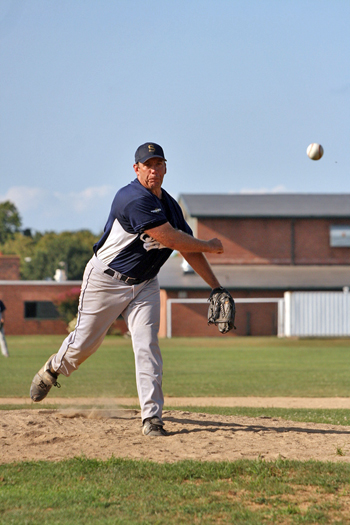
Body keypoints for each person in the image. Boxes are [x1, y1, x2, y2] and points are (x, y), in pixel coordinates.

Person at [30, 142, 226, 436]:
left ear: (166, 168)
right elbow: (169, 238)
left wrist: (216, 287)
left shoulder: (171, 206)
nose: (154, 170)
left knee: (147, 345)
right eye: (148, 165)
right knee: (84, 345)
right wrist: (209, 245)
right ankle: (53, 369)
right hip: (106, 281)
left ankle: (152, 418)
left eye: (159, 164)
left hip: (145, 284)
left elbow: (186, 247)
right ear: (137, 169)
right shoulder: (131, 198)